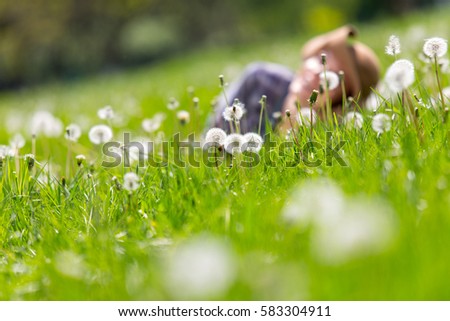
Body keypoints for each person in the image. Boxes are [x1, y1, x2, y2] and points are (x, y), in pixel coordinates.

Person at [211, 25, 380, 134]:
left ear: (341, 102)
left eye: (331, 76)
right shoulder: (259, 80)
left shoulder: (327, 139)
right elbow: (210, 144)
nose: (316, 72)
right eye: (322, 58)